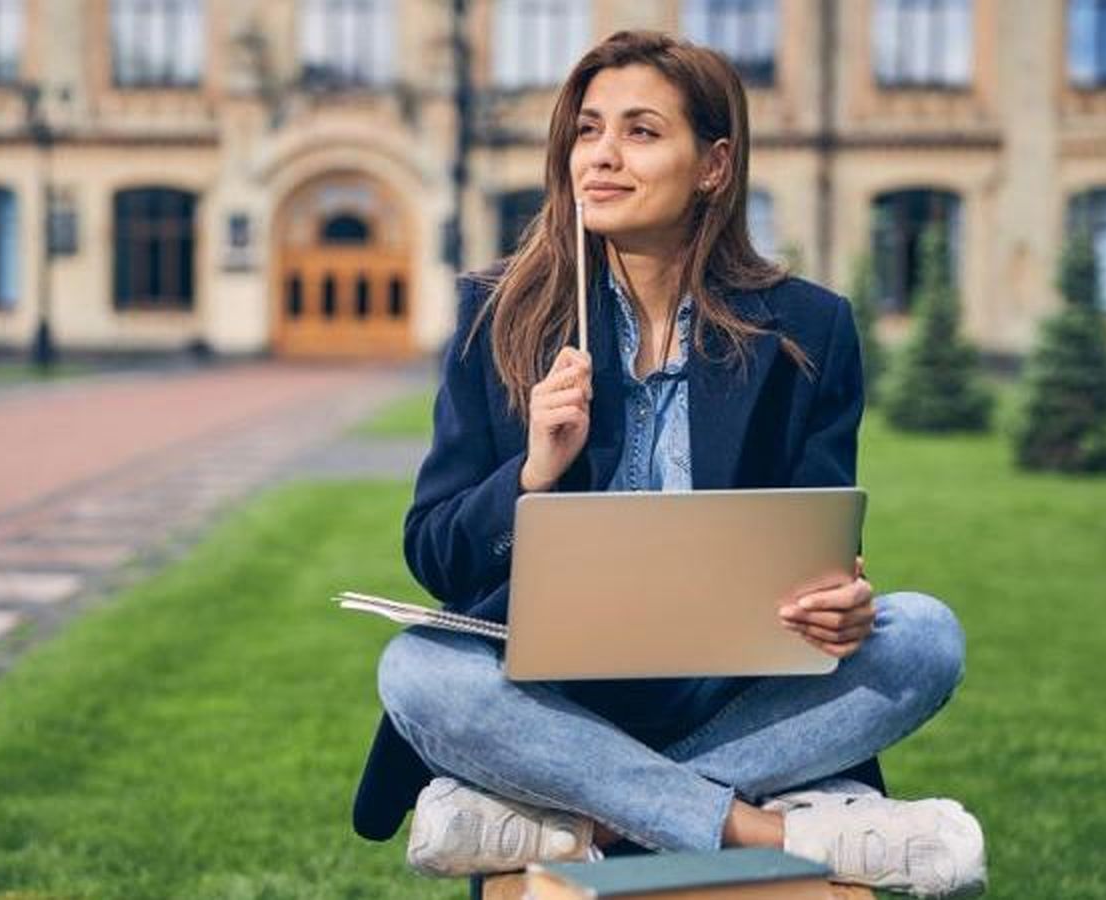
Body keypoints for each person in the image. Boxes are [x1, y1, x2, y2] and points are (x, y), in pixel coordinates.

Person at [350, 30, 987, 898]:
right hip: (551, 694)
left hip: (728, 689)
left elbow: (815, 541)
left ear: (715, 166)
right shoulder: (497, 316)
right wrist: (533, 472)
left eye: (641, 132)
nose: (601, 158)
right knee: (415, 670)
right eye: (586, 131)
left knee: (925, 636)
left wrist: (838, 605)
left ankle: (586, 819)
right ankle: (756, 826)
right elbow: (435, 556)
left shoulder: (807, 329)